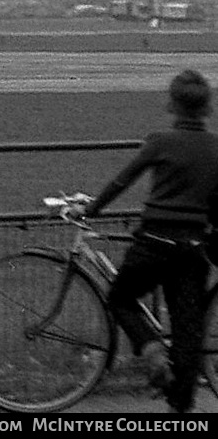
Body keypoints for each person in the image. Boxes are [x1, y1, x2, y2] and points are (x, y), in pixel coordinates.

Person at [75, 70, 218, 414]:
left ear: (171, 104)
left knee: (120, 297)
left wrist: (91, 208)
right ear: (207, 108)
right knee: (188, 331)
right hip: (193, 248)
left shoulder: (159, 141)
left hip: (152, 242)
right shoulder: (217, 148)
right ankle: (180, 409)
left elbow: (122, 181)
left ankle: (152, 351)